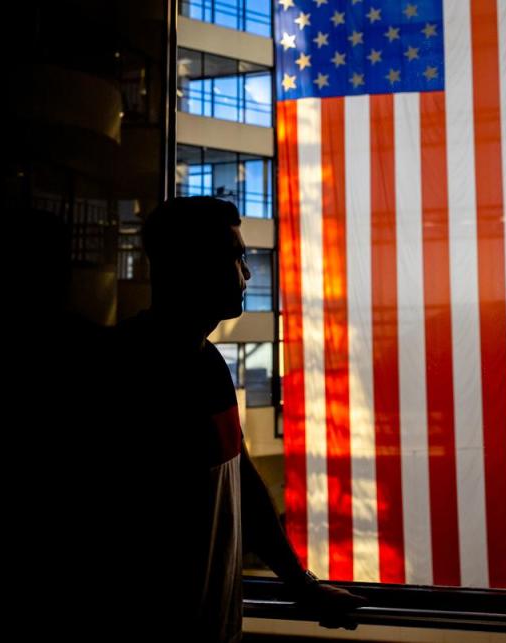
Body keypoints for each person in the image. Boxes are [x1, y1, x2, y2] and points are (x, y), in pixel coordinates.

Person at [104, 197, 364, 642]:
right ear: (194, 265)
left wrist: (302, 586)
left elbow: (239, 479)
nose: (247, 274)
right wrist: (303, 588)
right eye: (237, 258)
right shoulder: (128, 369)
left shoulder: (208, 364)